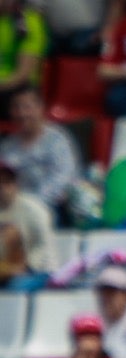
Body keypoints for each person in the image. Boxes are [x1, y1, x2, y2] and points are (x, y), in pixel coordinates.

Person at [0, 86, 81, 224]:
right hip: (13, 208)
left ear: (40, 108)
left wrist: (31, 203)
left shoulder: (57, 140)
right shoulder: (6, 147)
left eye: (27, 107)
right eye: (16, 108)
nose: (22, 113)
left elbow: (63, 179)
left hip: (51, 207)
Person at [0, 158, 54, 292]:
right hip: (6, 272)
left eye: (8, 182)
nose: (3, 188)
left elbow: (42, 249)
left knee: (13, 289)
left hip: (38, 272)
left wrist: (21, 268)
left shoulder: (34, 209)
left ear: (16, 184)